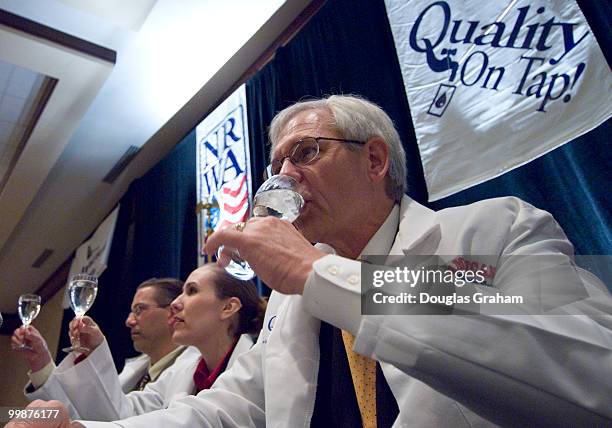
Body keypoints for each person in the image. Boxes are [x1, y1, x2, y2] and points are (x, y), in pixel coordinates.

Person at [10, 95, 612, 428]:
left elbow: (592, 378)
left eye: (307, 152)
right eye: (275, 167)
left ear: (375, 160)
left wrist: (315, 273)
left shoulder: (489, 231)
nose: (284, 179)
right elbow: (226, 412)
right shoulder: (292, 307)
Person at [12, 278, 187, 417]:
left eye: (139, 310)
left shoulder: (194, 368)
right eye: (131, 311)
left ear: (173, 310)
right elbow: (85, 416)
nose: (129, 321)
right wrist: (42, 363)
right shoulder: (135, 372)